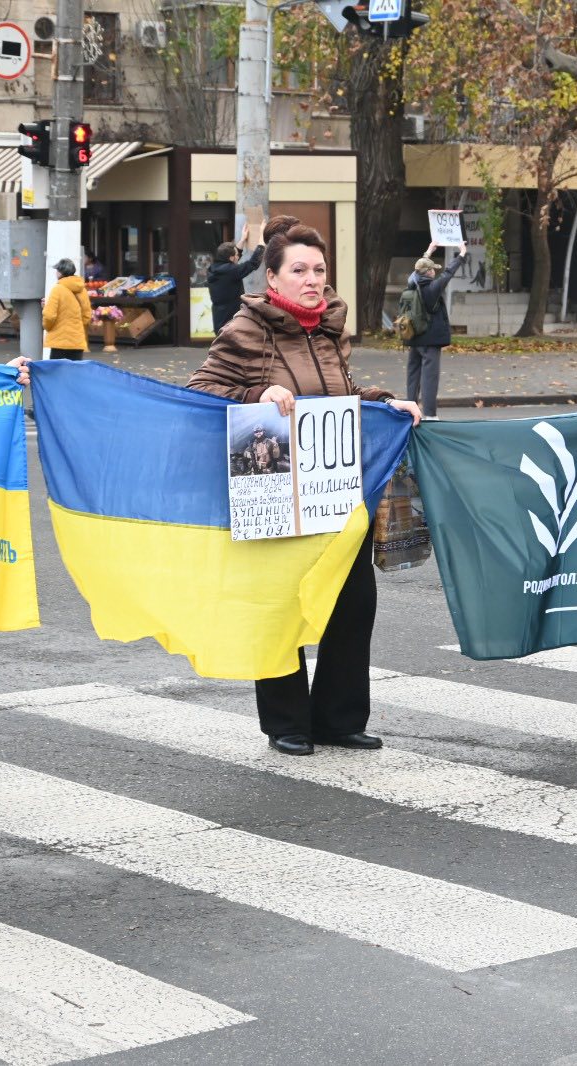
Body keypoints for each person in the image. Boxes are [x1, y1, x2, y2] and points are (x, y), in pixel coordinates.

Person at [188, 214, 422, 756]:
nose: (313, 279)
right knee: (279, 605)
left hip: (336, 488)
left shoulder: (330, 328)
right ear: (272, 278)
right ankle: (287, 722)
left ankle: (339, 719)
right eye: (300, 269)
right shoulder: (245, 329)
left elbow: (341, 392)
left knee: (353, 600)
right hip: (272, 487)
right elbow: (199, 393)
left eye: (319, 269)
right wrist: (257, 397)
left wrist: (384, 403)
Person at [402, 243, 467, 420]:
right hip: (430, 340)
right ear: (429, 272)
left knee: (413, 375)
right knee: (429, 378)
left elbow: (419, 268)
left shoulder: (412, 283)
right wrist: (461, 255)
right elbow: (448, 273)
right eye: (432, 270)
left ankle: (410, 409)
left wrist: (429, 251)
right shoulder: (432, 288)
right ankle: (430, 414)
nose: (434, 272)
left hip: (414, 337)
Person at [208, 222, 264, 333]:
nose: (238, 256)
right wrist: (261, 240)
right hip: (230, 320)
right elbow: (253, 263)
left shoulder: (214, 268)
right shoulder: (230, 271)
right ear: (231, 258)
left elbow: (233, 256)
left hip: (219, 317)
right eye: (236, 255)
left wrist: (243, 239)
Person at [43, 259, 93, 361]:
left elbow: (49, 316)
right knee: (74, 374)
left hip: (59, 342)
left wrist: (47, 327)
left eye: (57, 270)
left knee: (56, 374)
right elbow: (87, 316)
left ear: (61, 272)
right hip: (77, 341)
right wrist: (77, 327)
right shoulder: (82, 290)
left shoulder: (57, 289)